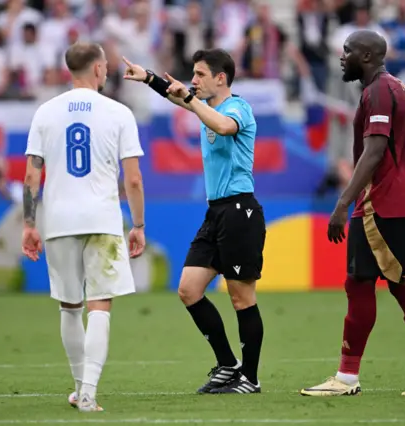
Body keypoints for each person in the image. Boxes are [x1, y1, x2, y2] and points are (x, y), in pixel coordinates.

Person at [300, 30, 405, 397]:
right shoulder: (394, 88)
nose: (342, 56)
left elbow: (374, 151)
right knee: (399, 285)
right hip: (400, 201)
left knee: (368, 284)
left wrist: (343, 202)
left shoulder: (378, 92)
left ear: (368, 56)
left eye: (348, 51)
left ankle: (347, 378)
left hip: (381, 203)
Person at [122, 49, 266, 394]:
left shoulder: (237, 108)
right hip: (216, 212)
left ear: (221, 78)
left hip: (240, 211)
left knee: (241, 298)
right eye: (193, 73)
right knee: (188, 289)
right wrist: (150, 78)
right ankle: (228, 364)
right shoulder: (206, 107)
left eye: (200, 74)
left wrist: (189, 99)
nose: (194, 80)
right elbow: (184, 101)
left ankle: (250, 377)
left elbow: (222, 126)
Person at [21, 41, 146, 412]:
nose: (107, 71)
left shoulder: (45, 112)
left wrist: (29, 224)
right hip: (103, 221)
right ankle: (89, 391)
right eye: (105, 66)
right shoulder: (119, 112)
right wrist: (138, 224)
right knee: (100, 307)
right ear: (95, 69)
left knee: (69, 308)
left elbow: (31, 174)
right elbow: (134, 179)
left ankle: (79, 387)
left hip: (58, 221)